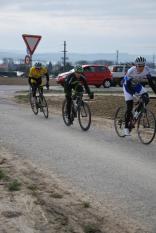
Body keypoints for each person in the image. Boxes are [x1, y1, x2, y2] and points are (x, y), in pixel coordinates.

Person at [123, 56, 156, 136]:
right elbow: (127, 85)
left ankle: (136, 113)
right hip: (127, 87)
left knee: (146, 98)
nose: (141, 68)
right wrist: (134, 95)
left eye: (143, 65)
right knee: (129, 107)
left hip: (137, 85)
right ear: (136, 65)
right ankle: (126, 127)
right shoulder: (131, 71)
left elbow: (151, 83)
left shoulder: (146, 70)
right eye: (139, 66)